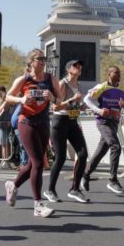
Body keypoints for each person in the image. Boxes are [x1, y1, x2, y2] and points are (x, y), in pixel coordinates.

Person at [3, 49, 60, 218]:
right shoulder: (23, 79)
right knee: (38, 162)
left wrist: (52, 97)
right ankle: (38, 204)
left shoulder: (51, 79)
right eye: (39, 59)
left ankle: (13, 185)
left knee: (32, 164)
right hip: (26, 122)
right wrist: (21, 99)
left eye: (44, 58)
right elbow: (8, 96)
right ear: (31, 62)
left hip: (43, 123)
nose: (43, 61)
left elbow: (60, 101)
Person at [82, 65, 124, 195]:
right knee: (116, 147)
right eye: (115, 72)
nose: (118, 75)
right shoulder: (101, 87)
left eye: (119, 73)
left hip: (114, 123)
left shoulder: (121, 91)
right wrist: (99, 110)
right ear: (109, 74)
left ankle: (85, 175)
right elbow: (86, 99)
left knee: (100, 152)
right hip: (103, 122)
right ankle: (113, 180)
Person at [46, 59, 90, 203]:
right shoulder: (62, 84)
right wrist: (72, 100)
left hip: (72, 121)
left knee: (83, 154)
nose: (79, 67)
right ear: (68, 69)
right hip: (60, 122)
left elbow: (74, 107)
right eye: (76, 66)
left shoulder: (79, 86)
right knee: (60, 158)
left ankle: (75, 189)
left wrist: (82, 106)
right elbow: (55, 107)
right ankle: (50, 190)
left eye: (80, 65)